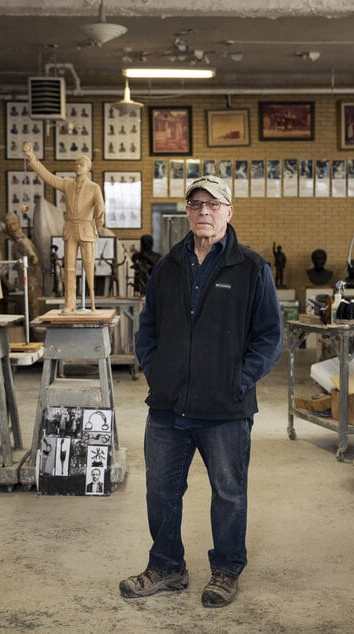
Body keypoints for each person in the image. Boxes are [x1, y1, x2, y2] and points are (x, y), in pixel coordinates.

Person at [120, 175, 282, 608]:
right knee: (160, 490)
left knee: (228, 492)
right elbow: (148, 327)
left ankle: (227, 571)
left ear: (229, 211)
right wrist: (157, 372)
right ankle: (167, 565)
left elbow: (269, 338)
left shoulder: (251, 268)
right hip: (169, 406)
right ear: (187, 212)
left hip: (225, 409)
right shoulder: (168, 267)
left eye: (213, 204)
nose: (204, 211)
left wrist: (237, 381)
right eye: (195, 204)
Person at [22, 142, 105, 313]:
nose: (77, 167)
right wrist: (32, 159)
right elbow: (48, 177)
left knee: (89, 267)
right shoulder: (67, 184)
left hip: (86, 229)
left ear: (88, 168)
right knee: (69, 268)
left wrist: (98, 223)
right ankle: (70, 303)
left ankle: (92, 302)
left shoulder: (94, 187)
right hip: (70, 229)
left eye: (81, 164)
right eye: (76, 164)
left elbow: (100, 206)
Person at [2, 212, 42, 318]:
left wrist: (32, 258)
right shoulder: (18, 242)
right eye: (9, 225)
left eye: (13, 224)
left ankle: (35, 333)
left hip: (30, 283)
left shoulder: (21, 243)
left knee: (32, 311)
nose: (12, 228)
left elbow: (33, 257)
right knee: (29, 311)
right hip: (28, 282)